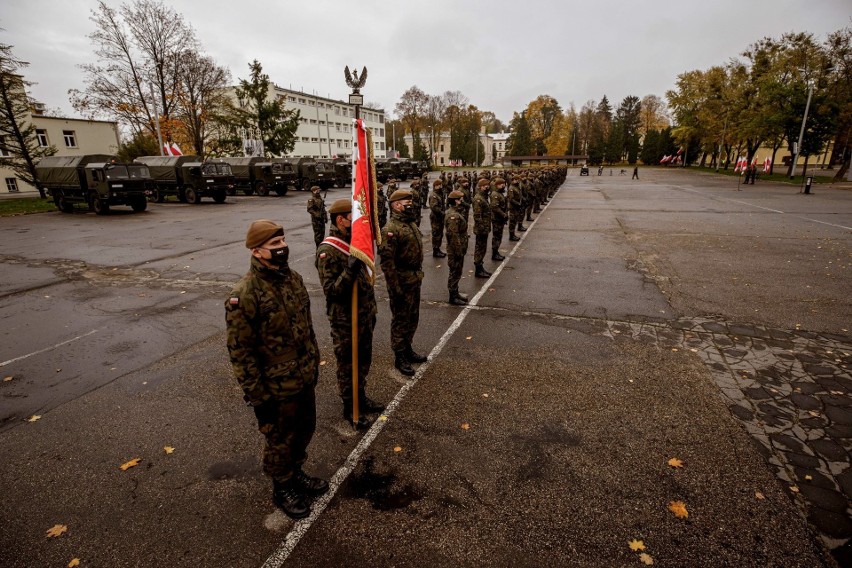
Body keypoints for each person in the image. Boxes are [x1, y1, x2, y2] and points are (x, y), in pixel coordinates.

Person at [225, 220, 327, 520]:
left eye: (282, 241)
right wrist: (257, 396)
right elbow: (240, 352)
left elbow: (306, 329)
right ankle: (282, 486)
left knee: (304, 429)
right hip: (274, 386)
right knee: (279, 438)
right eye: (274, 245)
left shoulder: (292, 279)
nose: (282, 248)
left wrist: (313, 364)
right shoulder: (244, 294)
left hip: (302, 376)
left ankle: (296, 472)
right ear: (257, 252)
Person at [315, 199, 384, 430]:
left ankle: (360, 397)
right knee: (348, 364)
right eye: (351, 218)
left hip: (364, 314)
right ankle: (349, 407)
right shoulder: (328, 250)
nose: (356, 223)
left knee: (363, 360)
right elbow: (332, 292)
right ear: (340, 220)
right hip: (346, 319)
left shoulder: (355, 243)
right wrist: (349, 269)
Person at [379, 189, 427, 376]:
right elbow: (387, 263)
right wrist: (395, 288)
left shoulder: (410, 223)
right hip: (401, 282)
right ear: (397, 205)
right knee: (400, 320)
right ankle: (399, 356)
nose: (411, 204)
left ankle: (408, 349)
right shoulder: (390, 229)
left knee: (412, 317)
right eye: (407, 202)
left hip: (414, 279)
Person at [444, 189, 469, 305]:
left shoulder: (456, 212)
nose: (462, 201)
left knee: (457, 272)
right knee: (454, 272)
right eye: (460, 199)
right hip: (455, 250)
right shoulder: (453, 215)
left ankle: (456, 293)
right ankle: (452, 296)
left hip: (459, 248)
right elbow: (453, 235)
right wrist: (459, 250)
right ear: (455, 201)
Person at [472, 179, 492, 278]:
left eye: (488, 185)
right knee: (479, 249)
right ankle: (478, 270)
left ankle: (480, 268)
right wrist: (482, 228)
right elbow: (477, 216)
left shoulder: (483, 197)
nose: (487, 187)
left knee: (482, 248)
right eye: (485, 186)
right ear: (480, 187)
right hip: (481, 229)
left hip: (484, 227)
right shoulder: (478, 199)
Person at [490, 177, 508, 261]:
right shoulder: (495, 194)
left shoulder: (500, 193)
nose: (503, 185)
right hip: (497, 219)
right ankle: (494, 253)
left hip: (500, 218)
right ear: (497, 185)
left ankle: (496, 252)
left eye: (504, 184)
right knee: (496, 237)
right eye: (501, 184)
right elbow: (495, 207)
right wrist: (503, 215)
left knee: (499, 236)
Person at [429, 179, 447, 258]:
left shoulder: (439, 194)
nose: (440, 186)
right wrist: (442, 213)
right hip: (436, 217)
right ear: (435, 186)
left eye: (441, 185)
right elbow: (434, 207)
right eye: (438, 185)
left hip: (440, 217)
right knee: (436, 234)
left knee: (440, 233)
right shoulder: (434, 195)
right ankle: (435, 251)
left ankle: (438, 249)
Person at [507, 176, 525, 241]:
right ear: (513, 180)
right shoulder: (511, 188)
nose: (518, 181)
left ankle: (513, 234)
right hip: (513, 207)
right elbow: (511, 199)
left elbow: (520, 195)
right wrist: (518, 204)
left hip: (516, 206)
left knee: (514, 221)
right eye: (516, 180)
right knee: (512, 221)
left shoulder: (517, 187)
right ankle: (511, 236)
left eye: (518, 180)